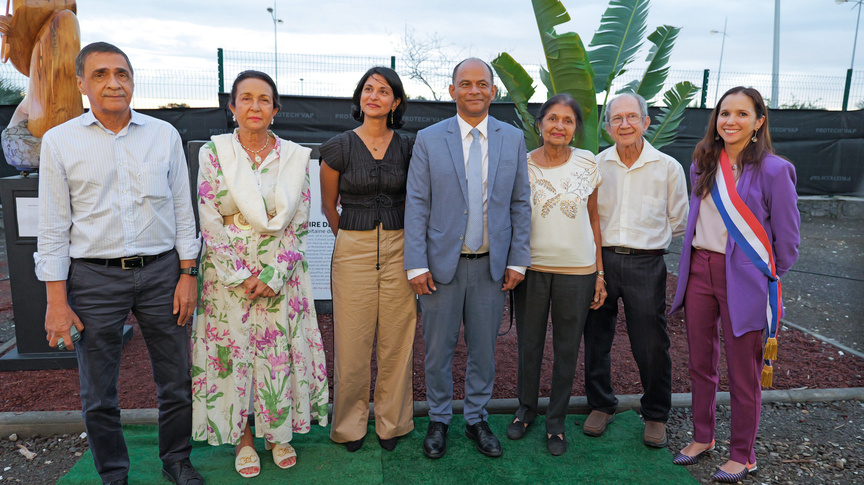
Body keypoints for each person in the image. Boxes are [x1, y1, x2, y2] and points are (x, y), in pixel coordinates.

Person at [35, 42, 203, 485]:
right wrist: (56, 300)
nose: (114, 82)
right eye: (101, 74)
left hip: (163, 273)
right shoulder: (59, 141)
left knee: (176, 380)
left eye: (122, 73)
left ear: (132, 79)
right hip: (93, 280)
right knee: (98, 392)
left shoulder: (163, 134)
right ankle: (113, 474)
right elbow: (52, 227)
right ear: (80, 83)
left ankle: (177, 460)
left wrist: (189, 274)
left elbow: (184, 212)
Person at [191, 70, 328, 478]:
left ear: (275, 109)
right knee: (236, 355)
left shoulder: (293, 157)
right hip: (227, 276)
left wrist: (273, 274)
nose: (255, 106)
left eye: (264, 99)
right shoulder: (214, 153)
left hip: (280, 275)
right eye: (245, 98)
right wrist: (238, 275)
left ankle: (276, 432)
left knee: (277, 354)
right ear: (232, 107)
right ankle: (244, 437)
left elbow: (300, 220)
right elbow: (209, 219)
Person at [669, 87, 800, 483]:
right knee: (700, 364)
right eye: (724, 113)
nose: (730, 121)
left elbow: (788, 242)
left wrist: (760, 274)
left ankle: (744, 453)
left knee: (743, 370)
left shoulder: (776, 170)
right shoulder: (702, 162)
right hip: (698, 273)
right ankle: (703, 437)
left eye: (742, 114)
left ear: (759, 121)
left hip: (743, 279)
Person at [404, 57, 531, 459]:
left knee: (483, 349)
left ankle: (476, 418)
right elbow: (417, 203)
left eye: (481, 84)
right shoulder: (428, 138)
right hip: (441, 267)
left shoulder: (511, 138)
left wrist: (517, 260)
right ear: (452, 90)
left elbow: (520, 203)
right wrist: (416, 263)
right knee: (438, 349)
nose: (473, 90)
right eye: (465, 83)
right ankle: (439, 419)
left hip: (492, 267)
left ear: (493, 91)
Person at [582, 93, 689, 447]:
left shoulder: (667, 168)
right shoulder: (596, 165)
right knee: (596, 336)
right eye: (617, 118)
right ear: (608, 126)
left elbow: (679, 222)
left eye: (632, 117)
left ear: (645, 122)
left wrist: (647, 241)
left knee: (651, 342)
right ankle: (600, 404)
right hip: (602, 261)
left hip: (647, 263)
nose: (624, 124)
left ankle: (656, 412)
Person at [318, 67, 416, 453]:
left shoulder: (410, 147)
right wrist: (353, 236)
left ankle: (392, 423)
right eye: (368, 89)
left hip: (401, 248)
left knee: (397, 340)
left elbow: (417, 199)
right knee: (352, 342)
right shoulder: (339, 146)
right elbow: (328, 206)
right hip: (353, 249)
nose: (374, 96)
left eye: (384, 91)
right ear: (360, 97)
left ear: (396, 102)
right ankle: (349, 426)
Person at [506, 94, 606, 456]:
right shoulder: (521, 164)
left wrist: (599, 273)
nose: (559, 126)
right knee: (528, 345)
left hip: (578, 271)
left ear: (576, 128)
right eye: (552, 119)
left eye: (567, 120)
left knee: (567, 348)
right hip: (531, 269)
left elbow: (594, 218)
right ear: (540, 124)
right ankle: (525, 411)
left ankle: (557, 422)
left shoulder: (588, 162)